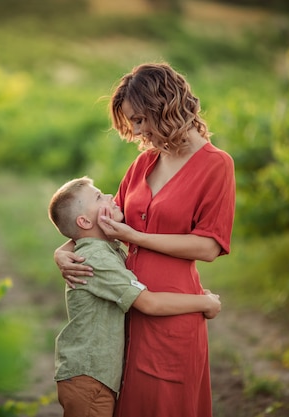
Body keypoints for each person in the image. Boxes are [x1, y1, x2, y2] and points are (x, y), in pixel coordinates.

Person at [54, 63, 236, 417]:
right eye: (131, 122)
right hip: (123, 308)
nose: (137, 132)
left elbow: (208, 247)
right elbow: (99, 222)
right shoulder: (144, 164)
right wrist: (62, 251)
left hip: (171, 308)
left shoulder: (217, 165)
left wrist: (138, 237)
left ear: (163, 106)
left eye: (140, 119)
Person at [48, 176, 222, 417]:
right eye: (99, 197)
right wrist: (205, 301)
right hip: (88, 378)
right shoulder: (97, 260)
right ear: (84, 220)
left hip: (94, 378)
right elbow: (148, 303)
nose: (110, 197)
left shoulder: (106, 250)